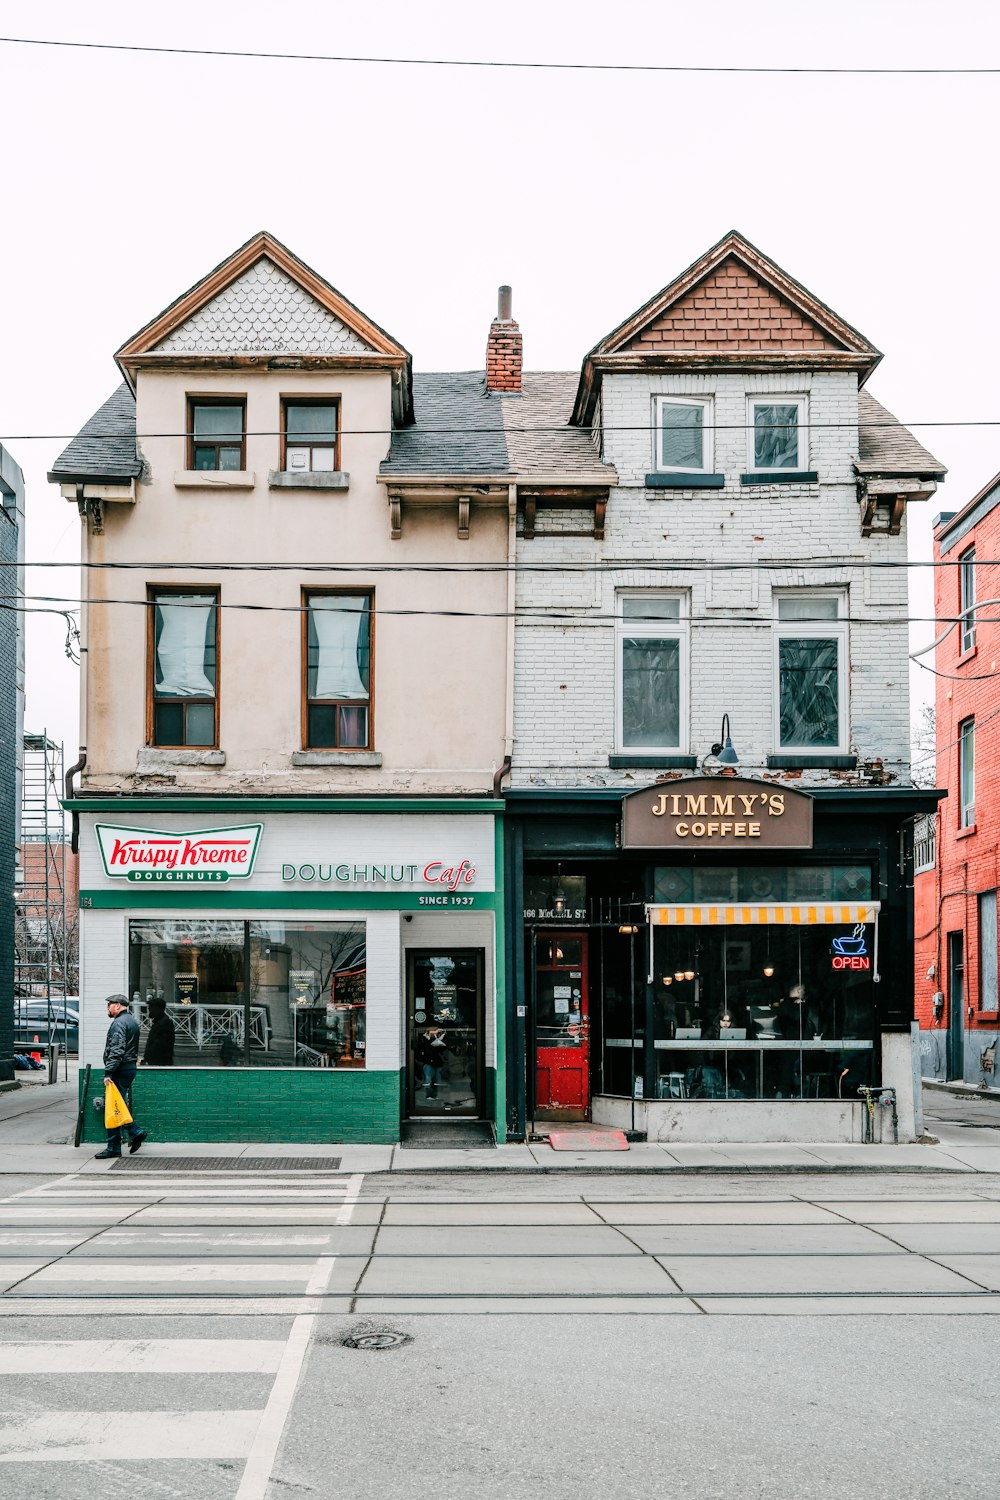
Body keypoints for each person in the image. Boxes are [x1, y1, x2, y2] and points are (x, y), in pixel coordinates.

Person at [96, 993, 147, 1159]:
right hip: (128, 1068)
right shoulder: (131, 1021)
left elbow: (116, 1050)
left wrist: (108, 1072)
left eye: (109, 1005)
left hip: (119, 1069)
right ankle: (130, 1135)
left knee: (113, 1107)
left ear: (117, 1005)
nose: (108, 1008)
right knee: (117, 1106)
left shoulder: (118, 1023)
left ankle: (118, 1143)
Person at [415, 1026, 449, 1100]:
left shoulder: (438, 1038)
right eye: (435, 1031)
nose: (436, 1033)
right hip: (428, 1062)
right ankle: (429, 1095)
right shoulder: (423, 1039)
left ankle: (434, 1095)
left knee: (436, 1080)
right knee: (428, 1079)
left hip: (437, 1062)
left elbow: (443, 1048)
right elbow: (423, 1049)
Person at [143, 998, 175, 1066]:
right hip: (158, 1062)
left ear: (158, 1009)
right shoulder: (160, 1022)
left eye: (151, 1007)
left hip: (160, 1063)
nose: (149, 1010)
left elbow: (159, 1045)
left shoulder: (163, 1024)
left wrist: (149, 1057)